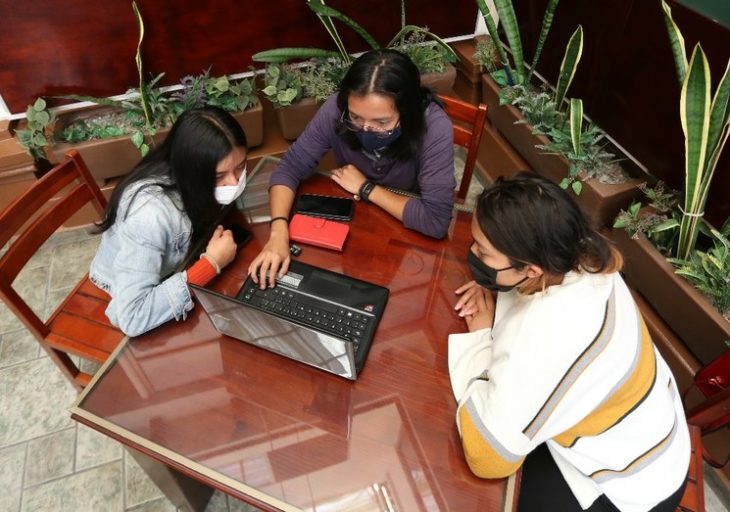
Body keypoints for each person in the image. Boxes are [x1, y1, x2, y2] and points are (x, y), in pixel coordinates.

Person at [450, 173, 690, 512]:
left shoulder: (552, 331)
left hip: (630, 485)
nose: (471, 254)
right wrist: (495, 283)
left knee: (477, 492)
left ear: (531, 269)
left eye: (483, 253)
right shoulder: (583, 255)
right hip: (650, 430)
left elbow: (487, 457)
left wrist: (479, 340)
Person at [249, 49, 456, 288]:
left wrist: (367, 188)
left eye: (382, 122)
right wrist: (277, 231)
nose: (366, 129)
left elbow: (435, 220)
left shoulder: (435, 127)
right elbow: (289, 167)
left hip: (403, 228)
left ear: (408, 111)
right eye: (356, 118)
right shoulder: (336, 109)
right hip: (353, 221)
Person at [90, 107, 246, 337]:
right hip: (125, 288)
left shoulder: (186, 177)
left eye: (240, 167)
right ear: (192, 169)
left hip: (176, 264)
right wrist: (211, 265)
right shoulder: (149, 217)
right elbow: (133, 317)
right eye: (219, 177)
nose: (234, 182)